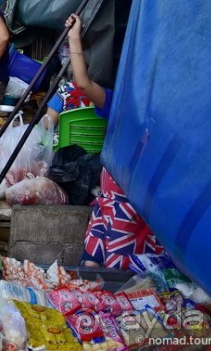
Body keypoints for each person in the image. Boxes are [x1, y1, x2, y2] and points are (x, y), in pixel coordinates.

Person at [61, 14, 164, 269]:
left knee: (119, 267)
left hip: (135, 205)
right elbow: (82, 82)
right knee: (93, 262)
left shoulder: (166, 120)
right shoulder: (118, 104)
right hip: (111, 197)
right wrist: (74, 37)